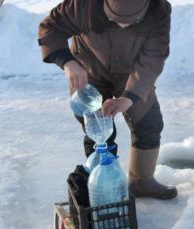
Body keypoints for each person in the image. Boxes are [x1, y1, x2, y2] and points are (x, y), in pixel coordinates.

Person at [38, 0, 177, 199]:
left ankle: (142, 181)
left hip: (133, 73)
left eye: (131, 22)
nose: (122, 26)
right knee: (98, 130)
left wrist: (129, 98)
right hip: (89, 68)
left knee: (149, 121)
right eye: (115, 19)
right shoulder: (82, 5)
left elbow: (154, 57)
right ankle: (104, 188)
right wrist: (68, 63)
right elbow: (50, 28)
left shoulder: (158, 10)